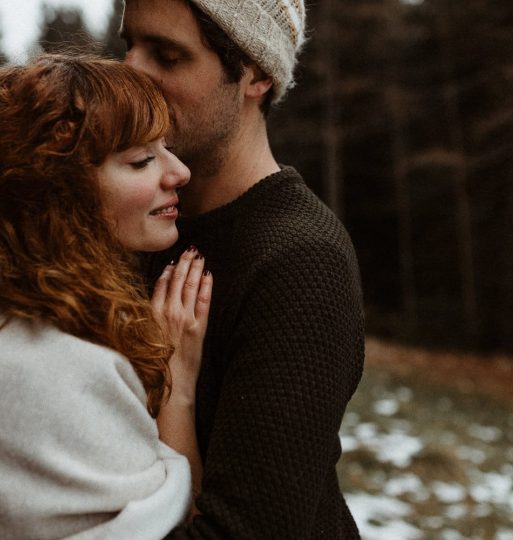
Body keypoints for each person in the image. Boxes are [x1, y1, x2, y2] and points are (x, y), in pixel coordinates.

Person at [0, 53, 212, 539]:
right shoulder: (48, 365)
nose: (178, 171)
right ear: (61, 192)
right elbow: (176, 529)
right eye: (142, 160)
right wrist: (177, 388)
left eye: (166, 148)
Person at [120, 1, 365, 538]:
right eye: (129, 46)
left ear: (255, 73)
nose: (131, 73)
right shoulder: (129, 219)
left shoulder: (300, 262)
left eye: (166, 55)